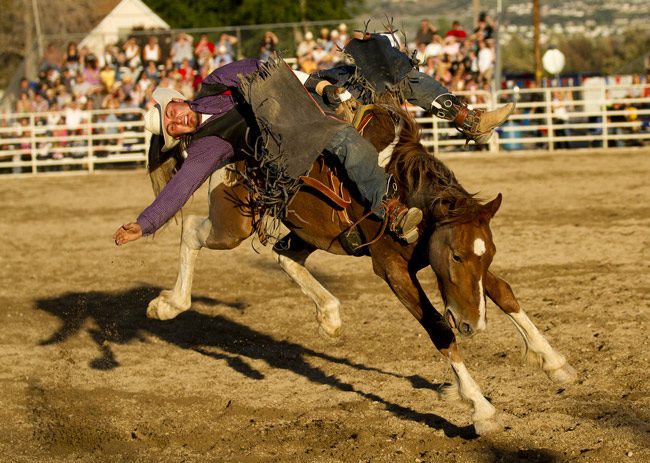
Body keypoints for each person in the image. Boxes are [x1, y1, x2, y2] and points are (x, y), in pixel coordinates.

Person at [113, 59, 423, 247]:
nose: (176, 121)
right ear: (175, 136)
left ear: (177, 101)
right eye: (171, 128)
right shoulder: (206, 148)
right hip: (286, 147)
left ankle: (451, 110)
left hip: (295, 100)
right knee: (348, 143)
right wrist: (145, 223)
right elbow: (179, 188)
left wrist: (273, 89)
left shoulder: (215, 83)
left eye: (171, 114)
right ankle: (391, 210)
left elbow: (256, 67)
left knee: (361, 75)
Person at [309, 31, 514, 144]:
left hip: (352, 88)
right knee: (401, 77)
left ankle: (472, 122)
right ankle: (471, 122)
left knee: (401, 76)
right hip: (327, 102)